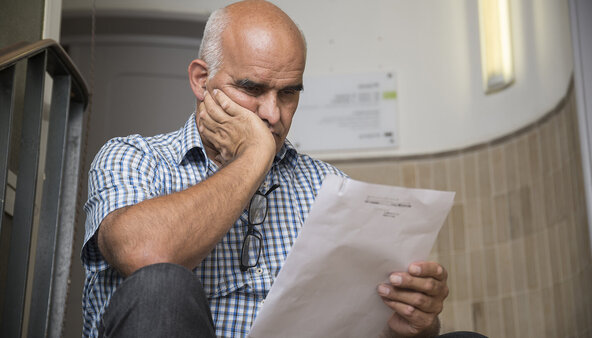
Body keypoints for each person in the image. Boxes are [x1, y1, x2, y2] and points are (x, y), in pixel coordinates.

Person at [82, 1, 455, 337]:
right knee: (160, 286)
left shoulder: (329, 186)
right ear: (201, 80)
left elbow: (362, 323)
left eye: (288, 93)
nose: (272, 114)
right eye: (252, 89)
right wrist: (253, 157)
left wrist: (413, 322)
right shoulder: (133, 157)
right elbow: (144, 254)